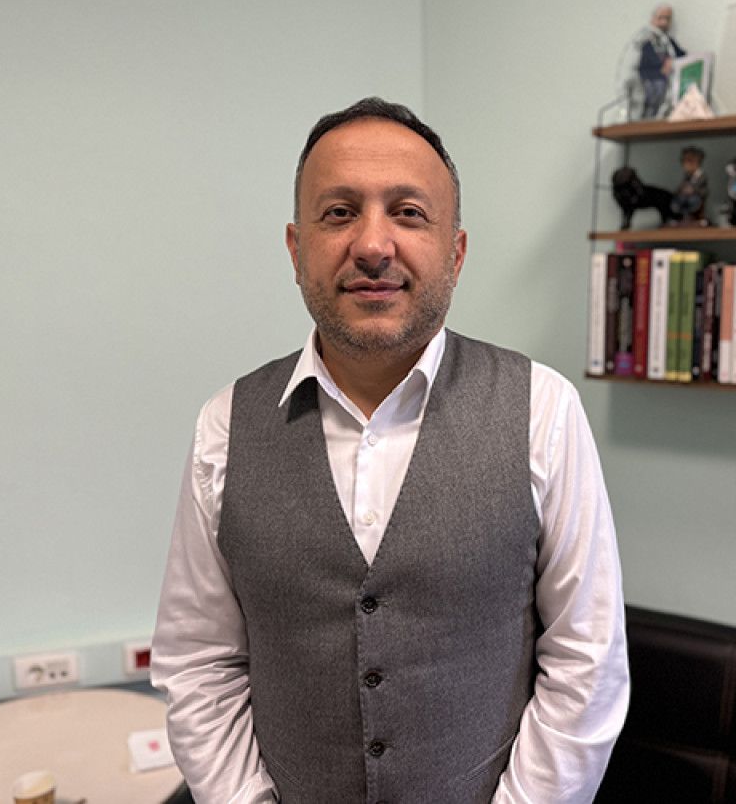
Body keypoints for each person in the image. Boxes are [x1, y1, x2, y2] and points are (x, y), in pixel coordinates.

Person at [151, 97, 630, 803]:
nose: (373, 244)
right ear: (295, 249)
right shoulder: (224, 427)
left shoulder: (544, 411)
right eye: (339, 212)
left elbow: (588, 661)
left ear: (455, 253)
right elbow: (199, 662)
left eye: (407, 212)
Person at [635, 4, 686, 118]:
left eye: (667, 19)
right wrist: (663, 66)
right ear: (653, 20)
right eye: (660, 18)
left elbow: (681, 55)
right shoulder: (647, 42)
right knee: (657, 90)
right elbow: (648, 60)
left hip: (667, 81)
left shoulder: (669, 42)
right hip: (652, 79)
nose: (664, 23)